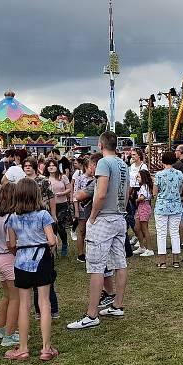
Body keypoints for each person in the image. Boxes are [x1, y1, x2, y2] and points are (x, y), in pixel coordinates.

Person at [67, 131, 129, 330]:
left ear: (101, 145)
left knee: (96, 266)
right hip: (119, 216)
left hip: (104, 218)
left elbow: (100, 193)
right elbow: (127, 192)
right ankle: (117, 305)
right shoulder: (123, 164)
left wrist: (93, 216)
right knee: (120, 263)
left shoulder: (104, 163)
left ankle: (91, 314)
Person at [4, 178, 59, 361]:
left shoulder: (12, 217)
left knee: (23, 305)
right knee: (44, 303)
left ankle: (23, 348)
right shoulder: (43, 215)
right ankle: (46, 348)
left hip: (21, 261)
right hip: (42, 258)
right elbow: (51, 240)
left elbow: (11, 244)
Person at [23, 157, 58, 319]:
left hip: (42, 223)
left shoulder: (43, 181)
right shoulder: (21, 182)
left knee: (45, 272)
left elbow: (51, 198)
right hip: (29, 226)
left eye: (30, 166)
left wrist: (53, 215)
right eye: (25, 166)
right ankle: (40, 309)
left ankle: (51, 308)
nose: (27, 168)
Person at [0, 182, 20, 347]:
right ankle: (10, 334)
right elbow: (12, 243)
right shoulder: (12, 217)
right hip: (9, 258)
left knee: (7, 296)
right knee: (16, 298)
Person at [153, 150, 183, 269]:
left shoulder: (159, 175)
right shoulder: (179, 174)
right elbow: (180, 189)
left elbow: (155, 192)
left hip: (162, 206)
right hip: (176, 205)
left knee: (161, 233)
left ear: (163, 161)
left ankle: (162, 262)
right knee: (174, 233)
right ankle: (176, 261)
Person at [46, 158, 72, 257]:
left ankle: (64, 244)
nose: (51, 167)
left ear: (57, 167)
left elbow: (69, 189)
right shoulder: (45, 179)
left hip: (62, 205)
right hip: (50, 206)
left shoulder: (63, 177)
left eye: (53, 165)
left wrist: (63, 193)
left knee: (61, 227)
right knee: (52, 228)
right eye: (49, 165)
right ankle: (54, 247)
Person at [128, 148, 149, 255]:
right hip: (133, 190)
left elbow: (145, 179)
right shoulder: (131, 166)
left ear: (139, 155)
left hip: (140, 191)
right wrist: (129, 193)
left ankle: (142, 239)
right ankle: (138, 236)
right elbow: (131, 181)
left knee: (141, 217)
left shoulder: (143, 166)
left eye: (134, 154)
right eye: (132, 155)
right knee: (134, 215)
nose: (132, 156)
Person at [73, 156, 93, 263]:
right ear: (85, 167)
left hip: (93, 208)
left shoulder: (96, 178)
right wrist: (76, 209)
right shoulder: (80, 178)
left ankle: (91, 252)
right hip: (82, 208)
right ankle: (81, 253)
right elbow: (76, 194)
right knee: (82, 230)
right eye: (90, 166)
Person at [135, 169, 154, 257]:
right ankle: (142, 246)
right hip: (141, 207)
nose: (137, 178)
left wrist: (136, 200)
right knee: (137, 227)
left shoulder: (144, 186)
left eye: (139, 176)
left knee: (144, 228)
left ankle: (149, 249)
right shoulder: (144, 186)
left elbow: (142, 197)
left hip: (144, 207)